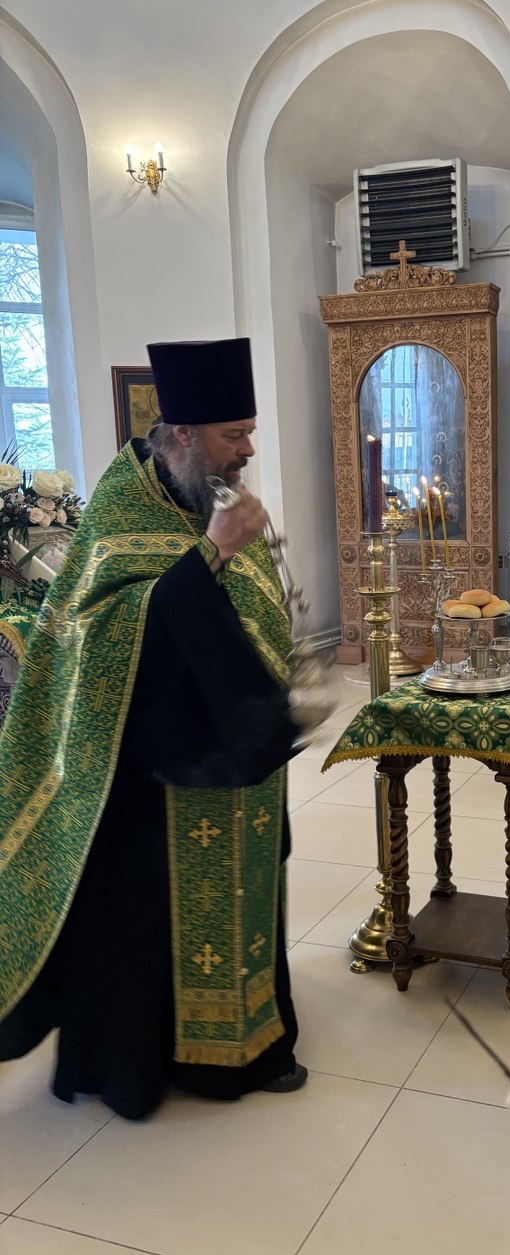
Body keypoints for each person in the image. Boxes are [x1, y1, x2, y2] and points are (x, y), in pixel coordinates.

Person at [0, 338, 321, 1120]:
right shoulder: (122, 511)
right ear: (181, 435)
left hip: (232, 751)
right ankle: (151, 1058)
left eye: (249, 433)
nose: (248, 450)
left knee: (242, 905)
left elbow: (248, 607)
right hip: (150, 774)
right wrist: (212, 554)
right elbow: (98, 641)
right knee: (148, 923)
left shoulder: (210, 499)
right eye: (233, 435)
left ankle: (249, 1042)